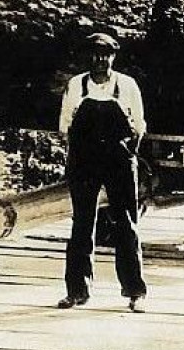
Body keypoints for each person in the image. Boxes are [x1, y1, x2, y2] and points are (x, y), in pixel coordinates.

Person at [57, 31, 148, 312]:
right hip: (85, 159)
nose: (100, 60)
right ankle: (77, 292)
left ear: (113, 56)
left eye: (106, 54)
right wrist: (75, 155)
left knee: (126, 224)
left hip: (118, 159)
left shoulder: (127, 85)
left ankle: (135, 291)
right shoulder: (77, 85)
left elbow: (139, 126)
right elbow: (65, 126)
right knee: (82, 224)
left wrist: (128, 153)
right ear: (88, 57)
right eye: (95, 54)